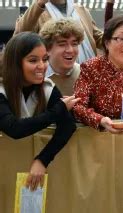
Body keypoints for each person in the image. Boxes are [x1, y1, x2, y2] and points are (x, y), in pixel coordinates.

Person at [0, 32, 80, 190]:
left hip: (30, 174)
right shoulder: (2, 89)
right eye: (33, 60)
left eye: (44, 59)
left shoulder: (47, 88)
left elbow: (68, 126)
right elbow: (14, 128)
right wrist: (57, 110)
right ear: (15, 62)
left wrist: (43, 160)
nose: (42, 66)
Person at [13, 0, 104, 63]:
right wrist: (39, 3)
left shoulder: (81, 10)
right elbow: (19, 37)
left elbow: (100, 38)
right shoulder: (37, 11)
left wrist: (116, 36)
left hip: (89, 76)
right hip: (55, 78)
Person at [39, 18, 84, 96]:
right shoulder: (38, 76)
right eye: (62, 44)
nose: (70, 50)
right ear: (48, 49)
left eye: (74, 44)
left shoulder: (85, 75)